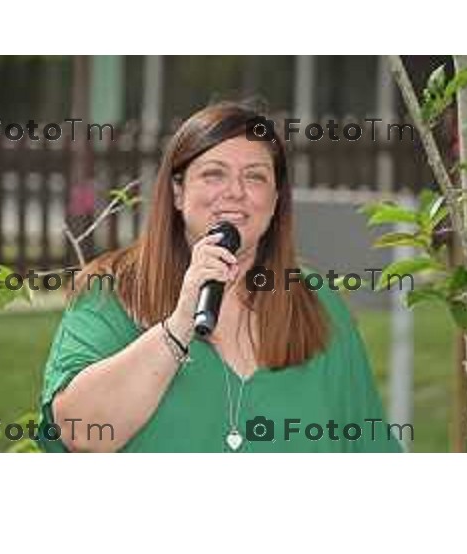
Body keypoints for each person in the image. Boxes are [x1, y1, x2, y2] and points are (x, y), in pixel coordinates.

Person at [38, 101, 404, 453]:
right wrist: (179, 323)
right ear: (178, 192)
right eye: (214, 174)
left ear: (276, 200)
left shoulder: (315, 302)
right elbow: (80, 434)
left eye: (255, 177)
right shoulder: (113, 292)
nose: (235, 192)